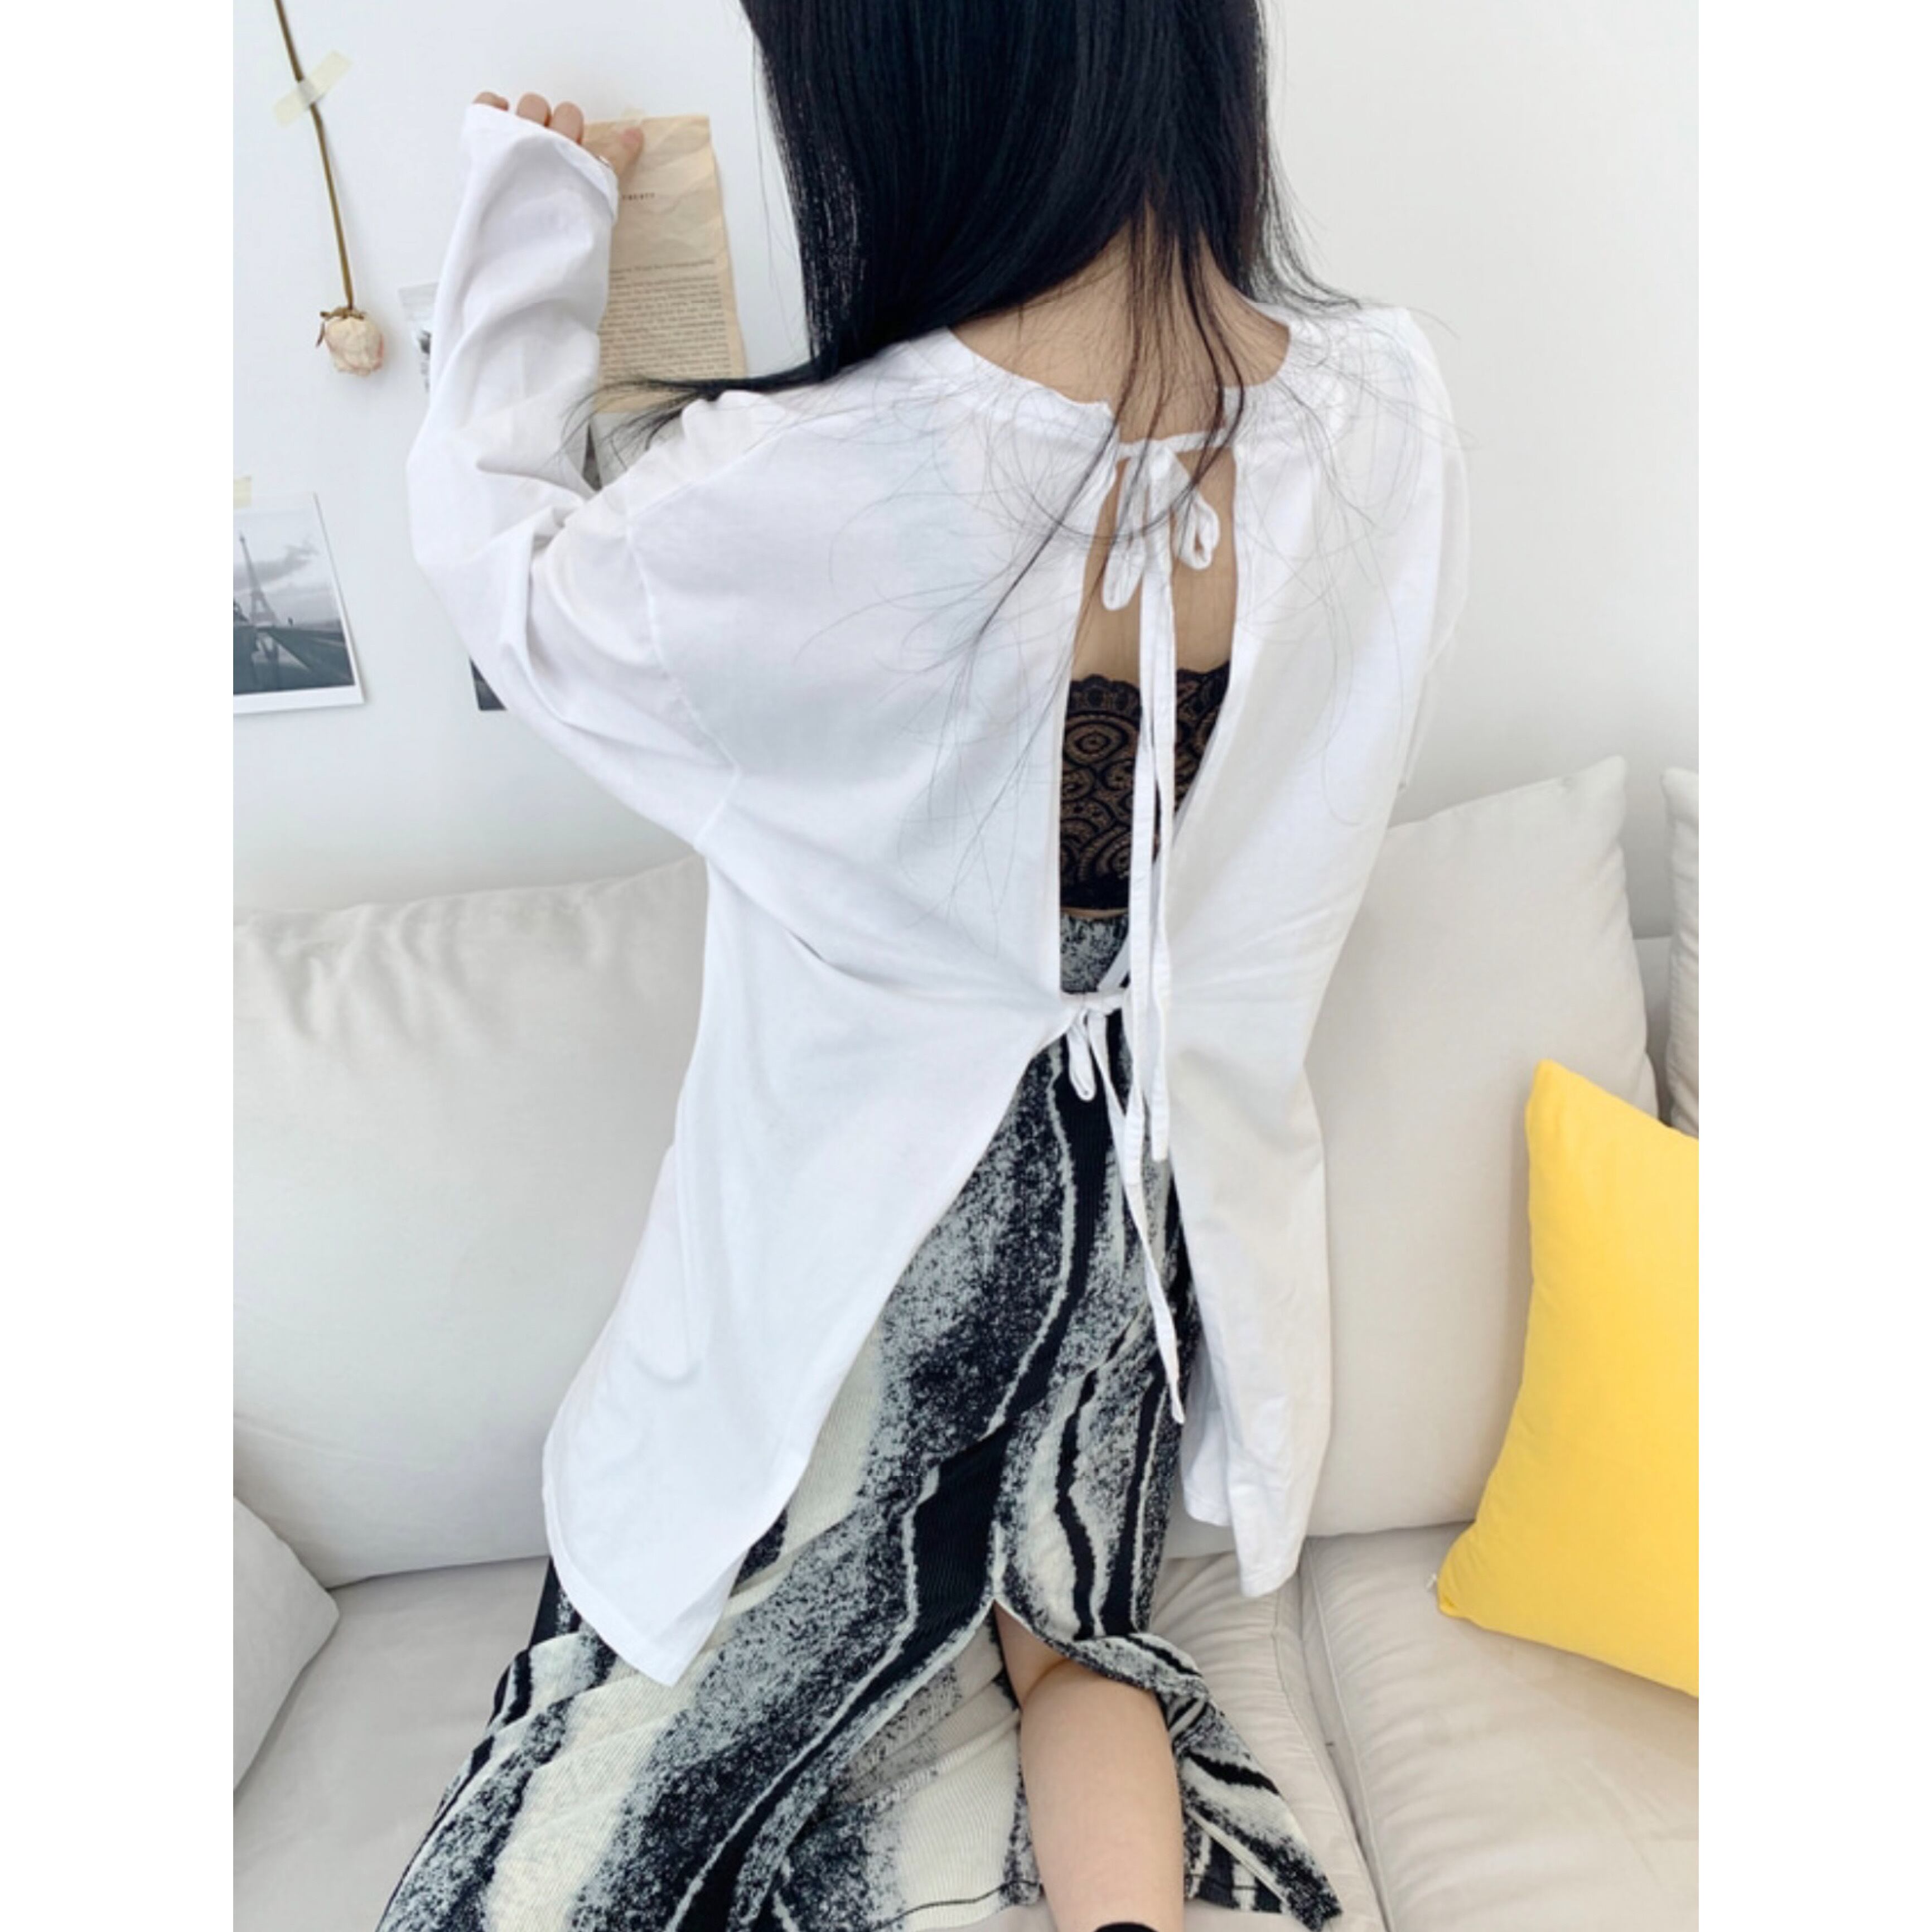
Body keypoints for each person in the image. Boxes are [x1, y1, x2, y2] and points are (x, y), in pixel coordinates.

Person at [381, 5, 1468, 1929]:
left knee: (656, 1718)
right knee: (1067, 1635)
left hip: (875, 1228)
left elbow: (508, 583)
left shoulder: (816, 476)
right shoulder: (1384, 405)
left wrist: (537, 213)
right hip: (1142, 1202)